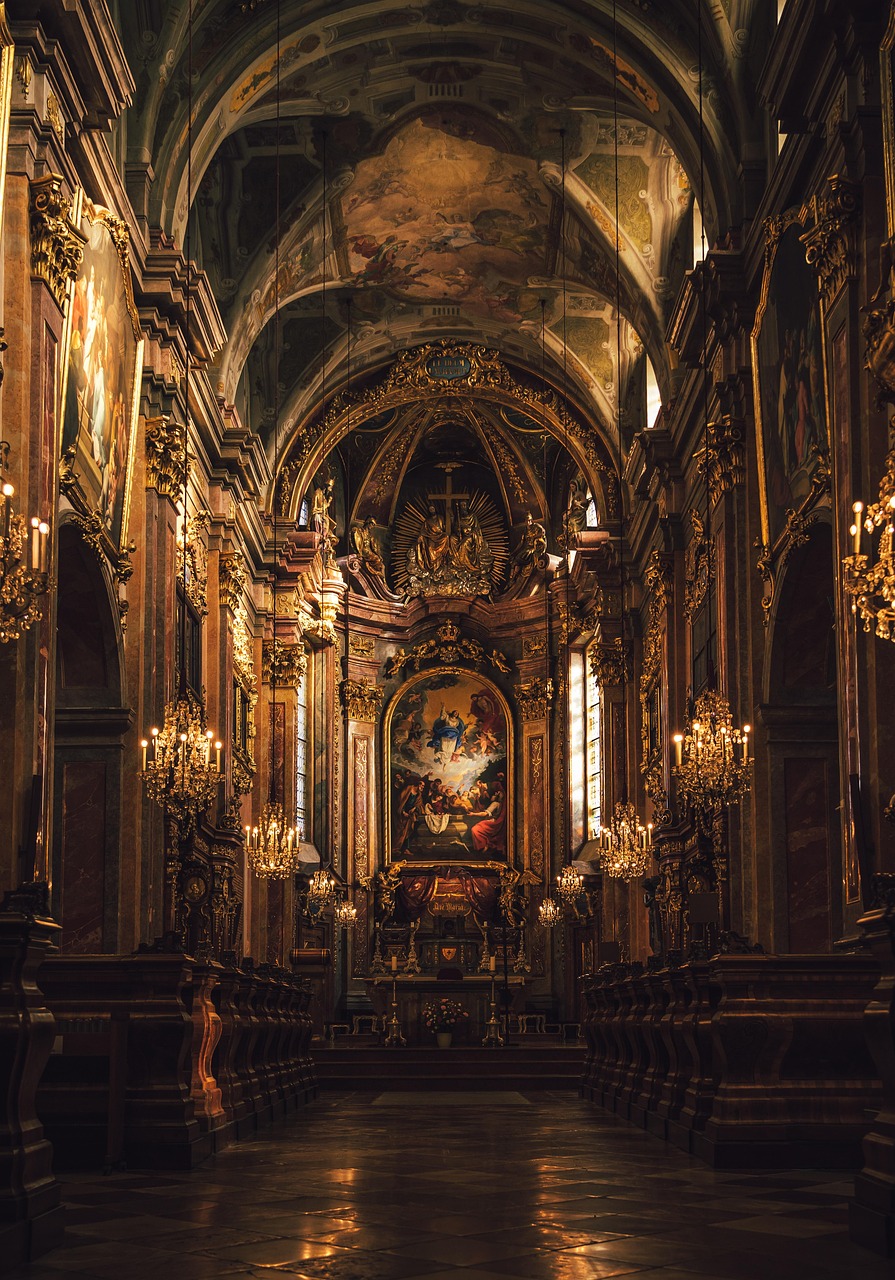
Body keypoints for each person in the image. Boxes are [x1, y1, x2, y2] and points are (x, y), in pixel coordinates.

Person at [469, 786, 506, 855]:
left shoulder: (495, 804)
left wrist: (473, 814)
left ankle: (483, 846)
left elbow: (484, 814)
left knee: (475, 829)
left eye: (493, 796)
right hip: (495, 822)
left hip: (492, 822)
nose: (490, 797)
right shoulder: (501, 804)